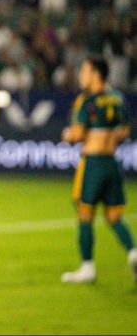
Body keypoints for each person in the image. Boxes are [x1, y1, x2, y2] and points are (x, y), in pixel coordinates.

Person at [60, 55, 136, 283]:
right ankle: (133, 252)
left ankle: (87, 268)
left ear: (95, 74)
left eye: (84, 70)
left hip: (92, 163)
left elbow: (78, 135)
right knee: (114, 216)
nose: (81, 75)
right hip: (112, 163)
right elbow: (124, 132)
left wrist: (68, 135)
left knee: (85, 214)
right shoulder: (118, 99)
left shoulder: (87, 101)